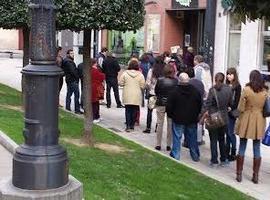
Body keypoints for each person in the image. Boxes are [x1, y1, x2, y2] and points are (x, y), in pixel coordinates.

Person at [235, 70, 268, 184]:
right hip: (259, 119)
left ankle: (239, 174)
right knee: (257, 147)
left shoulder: (246, 90)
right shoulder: (265, 91)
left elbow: (240, 107)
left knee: (242, 145)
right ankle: (255, 176)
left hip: (246, 118)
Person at [167, 73, 202, 161]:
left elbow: (169, 106)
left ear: (179, 80)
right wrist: (197, 114)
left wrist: (170, 115)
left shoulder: (174, 91)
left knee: (177, 137)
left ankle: (176, 154)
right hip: (191, 118)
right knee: (192, 137)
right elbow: (199, 104)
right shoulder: (195, 91)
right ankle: (195, 155)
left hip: (178, 118)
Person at [204, 72, 232, 166]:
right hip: (224, 117)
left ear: (215, 79)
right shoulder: (228, 89)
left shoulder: (212, 90)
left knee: (213, 140)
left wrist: (203, 114)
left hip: (213, 117)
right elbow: (230, 103)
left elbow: (207, 104)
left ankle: (214, 160)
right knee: (221, 139)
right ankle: (223, 159)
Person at [154, 64, 178, 151]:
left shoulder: (160, 80)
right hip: (171, 104)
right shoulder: (175, 81)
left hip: (161, 102)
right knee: (170, 124)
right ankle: (168, 144)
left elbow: (156, 91)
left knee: (160, 123)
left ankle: (158, 144)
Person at [119, 59, 145, 132]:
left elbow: (121, 83)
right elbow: (143, 85)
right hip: (136, 95)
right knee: (134, 111)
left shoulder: (125, 73)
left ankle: (127, 126)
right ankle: (132, 126)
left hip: (127, 94)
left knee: (128, 110)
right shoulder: (140, 75)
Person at [143, 56, 165, 133]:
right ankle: (157, 127)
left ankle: (148, 127)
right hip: (161, 94)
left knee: (150, 111)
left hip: (152, 93)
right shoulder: (164, 71)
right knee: (159, 112)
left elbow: (148, 83)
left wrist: (149, 88)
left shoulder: (151, 71)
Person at [225, 68, 241, 161]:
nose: (228, 76)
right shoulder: (226, 85)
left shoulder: (237, 86)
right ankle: (227, 151)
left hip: (232, 113)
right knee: (227, 133)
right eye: (227, 74)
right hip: (225, 111)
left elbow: (237, 100)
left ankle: (233, 151)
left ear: (234, 75)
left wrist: (231, 107)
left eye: (230, 74)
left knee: (230, 133)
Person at [62, 49, 82, 114]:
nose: (73, 55)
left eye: (73, 53)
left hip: (69, 79)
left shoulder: (67, 61)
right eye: (71, 53)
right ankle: (77, 109)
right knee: (76, 94)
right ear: (68, 54)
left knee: (69, 94)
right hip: (72, 80)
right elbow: (73, 71)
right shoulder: (69, 62)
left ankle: (68, 107)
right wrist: (77, 77)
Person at [90, 59, 105, 123]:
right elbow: (102, 77)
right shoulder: (95, 70)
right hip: (96, 88)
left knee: (95, 102)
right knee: (95, 103)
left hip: (91, 87)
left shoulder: (89, 70)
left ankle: (97, 116)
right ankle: (94, 117)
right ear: (95, 63)